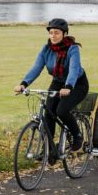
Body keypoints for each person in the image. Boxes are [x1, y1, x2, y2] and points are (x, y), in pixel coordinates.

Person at [14, 18, 89, 154]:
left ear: (64, 34)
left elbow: (73, 69)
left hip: (77, 84)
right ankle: (50, 150)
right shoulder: (46, 49)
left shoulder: (73, 49)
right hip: (58, 81)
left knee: (61, 111)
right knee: (48, 112)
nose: (53, 36)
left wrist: (68, 87)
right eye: (51, 33)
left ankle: (77, 135)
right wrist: (23, 83)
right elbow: (36, 67)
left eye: (56, 33)